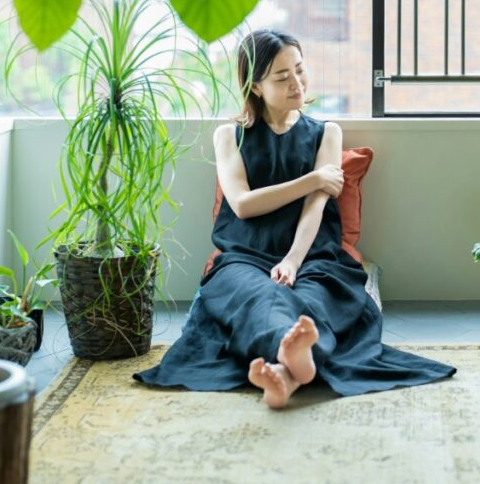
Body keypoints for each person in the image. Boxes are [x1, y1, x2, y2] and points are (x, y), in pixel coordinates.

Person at [134, 29, 456, 408]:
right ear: (255, 86)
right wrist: (313, 179)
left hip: (315, 257)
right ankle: (291, 364)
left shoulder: (326, 134)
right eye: (282, 77)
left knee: (313, 301)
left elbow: (314, 208)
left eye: (300, 71)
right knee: (263, 297)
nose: (297, 83)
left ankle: (285, 375)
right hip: (243, 258)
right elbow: (242, 204)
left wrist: (293, 260)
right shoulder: (229, 136)